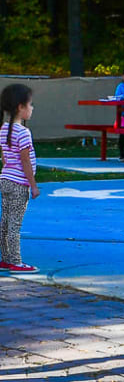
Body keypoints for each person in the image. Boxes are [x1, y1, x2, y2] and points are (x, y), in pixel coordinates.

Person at [0, 83, 39, 274]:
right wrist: (33, 186)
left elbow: (5, 157)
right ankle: (16, 261)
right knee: (15, 224)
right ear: (20, 107)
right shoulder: (24, 133)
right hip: (18, 184)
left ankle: (5, 258)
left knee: (5, 221)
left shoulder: (3, 129)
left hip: (5, 180)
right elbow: (25, 162)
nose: (32, 108)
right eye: (30, 105)